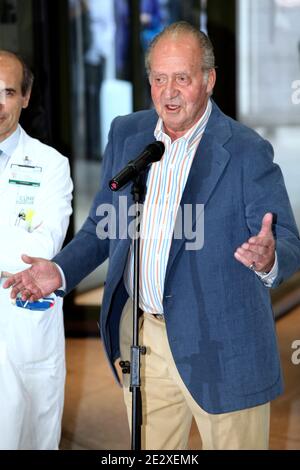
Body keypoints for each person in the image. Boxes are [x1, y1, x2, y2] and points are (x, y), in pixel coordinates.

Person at [4, 22, 300, 450]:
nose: (169, 92)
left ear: (209, 79)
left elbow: (288, 240)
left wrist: (269, 258)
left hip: (223, 346)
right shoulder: (128, 135)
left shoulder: (244, 150)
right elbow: (103, 227)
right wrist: (60, 271)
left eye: (183, 78)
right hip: (145, 342)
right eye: (159, 78)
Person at [0, 50, 73, 450]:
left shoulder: (50, 165)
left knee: (27, 438)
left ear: (25, 98)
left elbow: (39, 249)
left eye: (8, 92)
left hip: (23, 325)